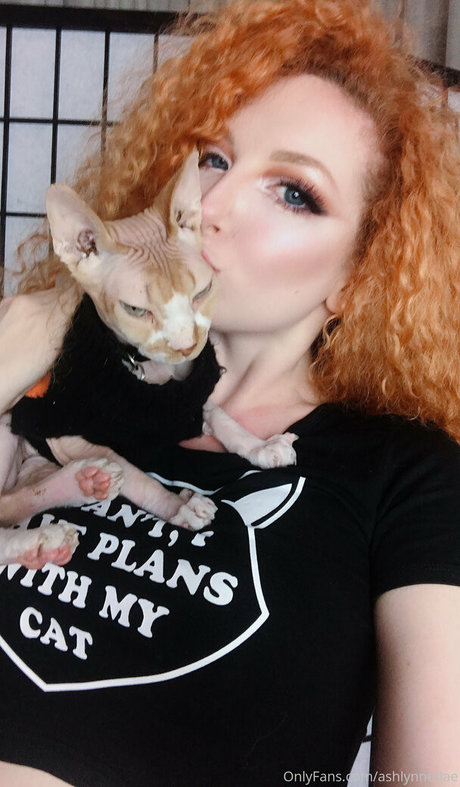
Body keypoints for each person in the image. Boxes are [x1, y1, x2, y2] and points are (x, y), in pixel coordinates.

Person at [0, 0, 459, 782]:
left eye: (294, 192)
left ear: (359, 275)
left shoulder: (409, 477)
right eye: (212, 159)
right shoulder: (52, 388)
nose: (210, 208)